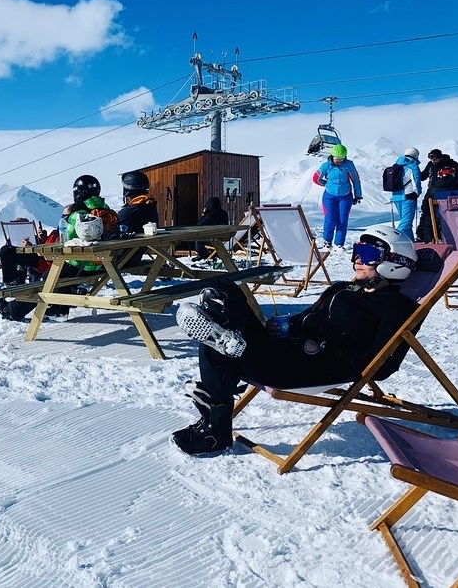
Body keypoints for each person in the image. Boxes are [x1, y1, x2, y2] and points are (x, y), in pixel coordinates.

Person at [172, 225, 418, 456]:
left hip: (309, 365)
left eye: (367, 254)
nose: (357, 259)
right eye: (357, 251)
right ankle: (226, 334)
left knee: (219, 347)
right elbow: (309, 315)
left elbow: (382, 366)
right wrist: (288, 323)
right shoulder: (344, 288)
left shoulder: (397, 309)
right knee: (224, 289)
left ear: (394, 262)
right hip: (286, 347)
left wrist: (324, 348)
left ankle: (216, 428)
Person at [0, 175, 113, 321]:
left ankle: (13, 311)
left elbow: (64, 242)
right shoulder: (106, 212)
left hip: (79, 264)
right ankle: (57, 307)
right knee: (47, 278)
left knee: (42, 284)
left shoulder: (79, 215)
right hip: (99, 264)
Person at [312, 143, 362, 251]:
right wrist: (326, 184)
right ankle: (327, 242)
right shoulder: (326, 166)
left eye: (341, 158)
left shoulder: (349, 165)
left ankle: (339, 244)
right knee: (330, 220)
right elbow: (316, 178)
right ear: (332, 156)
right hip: (329, 196)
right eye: (337, 158)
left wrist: (358, 195)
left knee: (342, 221)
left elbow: (356, 180)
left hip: (345, 197)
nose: (339, 160)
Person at [0, 209, 67, 285]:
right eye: (62, 216)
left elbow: (54, 249)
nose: (62, 218)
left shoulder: (64, 234)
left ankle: (13, 281)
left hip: (43, 261)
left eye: (65, 216)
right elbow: (47, 244)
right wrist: (42, 238)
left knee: (7, 252)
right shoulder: (55, 232)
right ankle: (12, 280)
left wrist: (32, 247)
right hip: (38, 257)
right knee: (7, 250)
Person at [415, 148, 458, 243]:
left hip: (447, 194)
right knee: (427, 214)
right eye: (431, 159)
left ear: (440, 157)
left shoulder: (451, 164)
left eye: (435, 158)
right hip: (432, 193)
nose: (433, 161)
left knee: (439, 216)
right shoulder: (431, 165)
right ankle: (424, 237)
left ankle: (434, 237)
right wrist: (415, 169)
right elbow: (423, 176)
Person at [116, 170, 159, 265]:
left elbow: (112, 226)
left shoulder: (130, 211)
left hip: (121, 259)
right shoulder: (150, 205)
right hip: (136, 255)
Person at [390, 147, 423, 241]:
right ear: (416, 155)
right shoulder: (412, 165)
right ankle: (396, 241)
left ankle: (410, 244)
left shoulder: (397, 165)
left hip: (396, 197)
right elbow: (416, 182)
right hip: (408, 197)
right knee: (405, 223)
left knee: (405, 222)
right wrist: (417, 193)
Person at [193, 196, 229, 261]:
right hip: (223, 236)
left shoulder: (210, 215)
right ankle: (215, 253)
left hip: (212, 236)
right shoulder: (224, 213)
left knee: (198, 238)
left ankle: (201, 254)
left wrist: (204, 214)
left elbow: (199, 225)